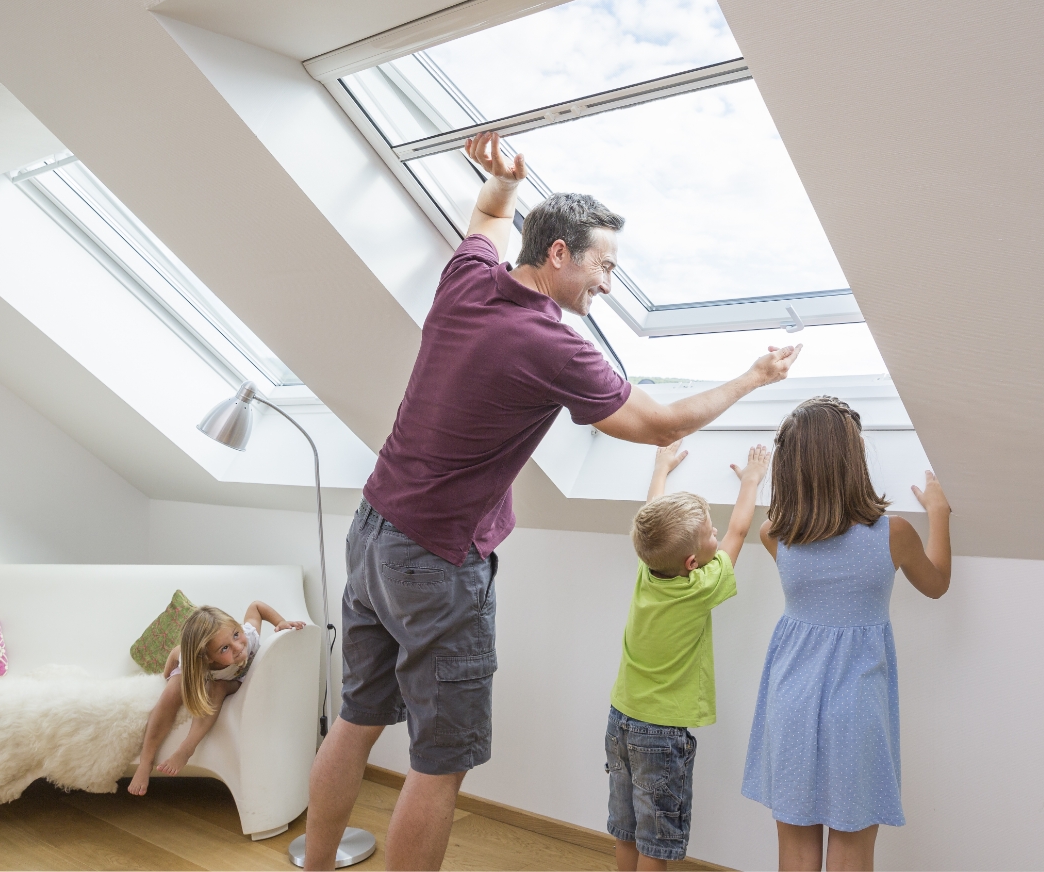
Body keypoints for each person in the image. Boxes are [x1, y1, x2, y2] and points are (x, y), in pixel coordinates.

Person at [304, 131, 801, 871]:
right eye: (604, 265)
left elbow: (484, 224)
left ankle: (315, 862)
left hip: (373, 528)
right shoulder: (551, 344)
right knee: (439, 763)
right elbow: (657, 424)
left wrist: (502, 183)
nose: (608, 284)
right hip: (436, 560)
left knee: (355, 718)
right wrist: (753, 379)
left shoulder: (470, 281)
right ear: (561, 254)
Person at [740, 396, 951, 871]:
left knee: (795, 847)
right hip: (858, 707)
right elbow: (936, 584)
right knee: (852, 846)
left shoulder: (775, 533)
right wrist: (938, 513)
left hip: (790, 699)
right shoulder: (893, 534)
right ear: (852, 459)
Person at [606, 440, 769, 870]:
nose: (717, 533)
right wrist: (751, 481)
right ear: (694, 561)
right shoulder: (700, 588)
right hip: (660, 734)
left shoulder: (648, 569)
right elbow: (739, 532)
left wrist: (661, 468)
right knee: (656, 846)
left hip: (620, 719)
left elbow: (651, 515)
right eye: (708, 533)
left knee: (627, 831)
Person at [128, 601, 306, 795]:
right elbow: (175, 653)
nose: (238, 647)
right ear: (209, 657)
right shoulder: (196, 661)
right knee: (172, 692)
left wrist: (280, 622)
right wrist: (166, 676)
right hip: (201, 672)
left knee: (217, 687)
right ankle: (145, 762)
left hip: (231, 681)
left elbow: (256, 607)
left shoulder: (249, 637)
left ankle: (187, 748)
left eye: (236, 635)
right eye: (224, 649)